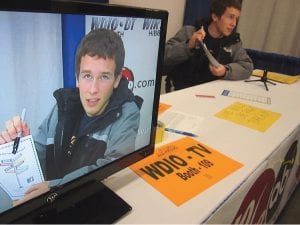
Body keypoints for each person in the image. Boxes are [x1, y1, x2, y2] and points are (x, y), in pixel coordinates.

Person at [0, 28, 142, 210]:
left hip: (91, 205)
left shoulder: (127, 112)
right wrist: (20, 150)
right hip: (55, 206)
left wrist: (54, 187)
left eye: (104, 77)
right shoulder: (63, 107)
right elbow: (38, 154)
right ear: (77, 78)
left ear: (116, 80)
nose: (92, 89)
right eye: (87, 76)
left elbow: (115, 167)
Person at [164, 0, 253, 92]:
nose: (234, 24)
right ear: (215, 17)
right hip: (180, 90)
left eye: (236, 19)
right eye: (231, 17)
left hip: (212, 94)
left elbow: (247, 67)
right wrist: (188, 45)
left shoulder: (234, 42)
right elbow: (163, 57)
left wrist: (225, 71)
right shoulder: (189, 32)